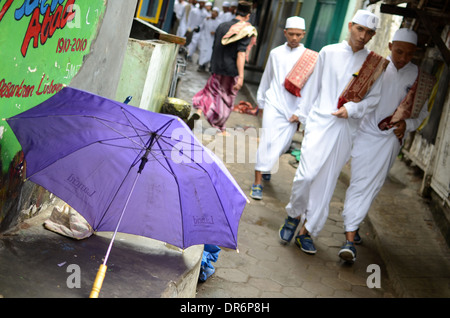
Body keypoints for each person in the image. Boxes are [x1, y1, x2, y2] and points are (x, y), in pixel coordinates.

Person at [279, 10, 388, 255]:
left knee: (326, 183)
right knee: (306, 176)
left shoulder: (374, 64)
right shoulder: (328, 52)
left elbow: (374, 99)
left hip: (346, 129)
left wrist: (351, 108)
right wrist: (303, 118)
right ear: (350, 26)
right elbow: (313, 88)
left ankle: (307, 231)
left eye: (370, 32)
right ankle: (293, 214)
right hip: (320, 123)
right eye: (360, 29)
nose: (364, 36)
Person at [338, 28, 435, 263]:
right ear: (391, 46)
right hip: (365, 135)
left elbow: (421, 114)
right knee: (360, 183)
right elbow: (355, 97)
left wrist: (407, 124)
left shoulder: (420, 79)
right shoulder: (376, 67)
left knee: (373, 185)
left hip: (391, 140)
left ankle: (354, 223)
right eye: (399, 51)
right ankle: (349, 240)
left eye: (409, 54)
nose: (403, 58)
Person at [250, 16, 318, 200]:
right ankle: (257, 182)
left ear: (303, 34)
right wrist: (261, 102)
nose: (294, 38)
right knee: (267, 141)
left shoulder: (311, 58)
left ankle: (267, 165)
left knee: (283, 144)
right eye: (291, 34)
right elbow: (267, 78)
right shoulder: (275, 53)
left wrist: (301, 113)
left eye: (298, 34)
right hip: (274, 102)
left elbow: (311, 89)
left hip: (294, 109)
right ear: (285, 33)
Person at [192, 1, 257, 133]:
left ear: (236, 11)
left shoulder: (222, 26)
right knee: (226, 98)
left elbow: (215, 46)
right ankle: (220, 127)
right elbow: (241, 53)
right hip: (231, 70)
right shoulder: (245, 29)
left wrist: (213, 65)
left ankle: (200, 110)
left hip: (216, 66)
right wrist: (241, 76)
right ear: (248, 15)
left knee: (210, 91)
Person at [197, 7, 221, 72]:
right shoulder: (206, 19)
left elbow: (219, 31)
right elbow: (201, 27)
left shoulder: (219, 22)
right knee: (202, 52)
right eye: (213, 11)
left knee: (209, 53)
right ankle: (200, 65)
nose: (213, 13)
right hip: (204, 38)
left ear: (217, 14)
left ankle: (204, 65)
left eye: (215, 12)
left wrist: (215, 33)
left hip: (212, 40)